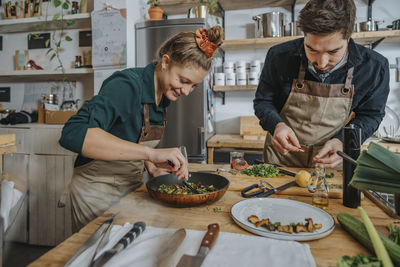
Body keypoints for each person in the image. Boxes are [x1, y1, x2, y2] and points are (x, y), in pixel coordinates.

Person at [58, 26, 224, 231]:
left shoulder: (163, 95)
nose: (187, 91)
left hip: (130, 188)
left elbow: (126, 133)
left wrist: (151, 166)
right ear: (165, 62)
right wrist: (151, 153)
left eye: (194, 86)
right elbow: (72, 133)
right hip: (96, 192)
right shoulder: (126, 85)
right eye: (184, 81)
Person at [254, 0, 389, 168]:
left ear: (348, 35)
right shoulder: (279, 56)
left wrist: (343, 142)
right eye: (311, 49)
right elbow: (263, 101)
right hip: (281, 161)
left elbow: (371, 115)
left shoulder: (374, 67)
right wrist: (277, 125)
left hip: (333, 160)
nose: (321, 63)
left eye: (333, 52)